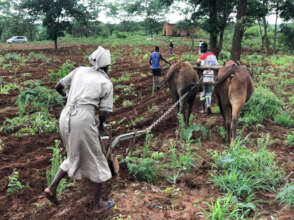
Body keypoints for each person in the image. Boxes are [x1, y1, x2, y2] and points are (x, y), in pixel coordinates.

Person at [44, 46, 115, 214]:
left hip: (65, 116)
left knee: (73, 154)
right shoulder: (106, 82)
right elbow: (103, 112)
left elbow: (58, 86)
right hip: (83, 119)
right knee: (98, 159)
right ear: (107, 66)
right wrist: (100, 124)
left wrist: (67, 99)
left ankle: (52, 188)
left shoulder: (80, 71)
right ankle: (99, 204)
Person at [198, 42, 219, 114]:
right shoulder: (213, 55)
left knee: (202, 93)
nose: (200, 49)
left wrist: (197, 63)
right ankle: (209, 105)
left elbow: (199, 66)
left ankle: (204, 109)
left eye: (201, 48)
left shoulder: (203, 57)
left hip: (204, 77)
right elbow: (217, 65)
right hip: (211, 76)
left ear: (205, 48)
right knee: (209, 92)